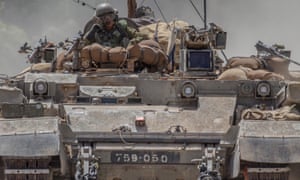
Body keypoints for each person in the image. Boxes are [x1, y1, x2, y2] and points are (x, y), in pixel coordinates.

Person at [56, 2, 168, 72]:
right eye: (104, 18)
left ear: (114, 16)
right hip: (99, 66)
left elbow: (141, 36)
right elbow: (82, 46)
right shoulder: (95, 31)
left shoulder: (122, 26)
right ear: (99, 20)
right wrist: (90, 33)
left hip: (123, 63)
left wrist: (132, 43)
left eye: (110, 16)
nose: (108, 20)